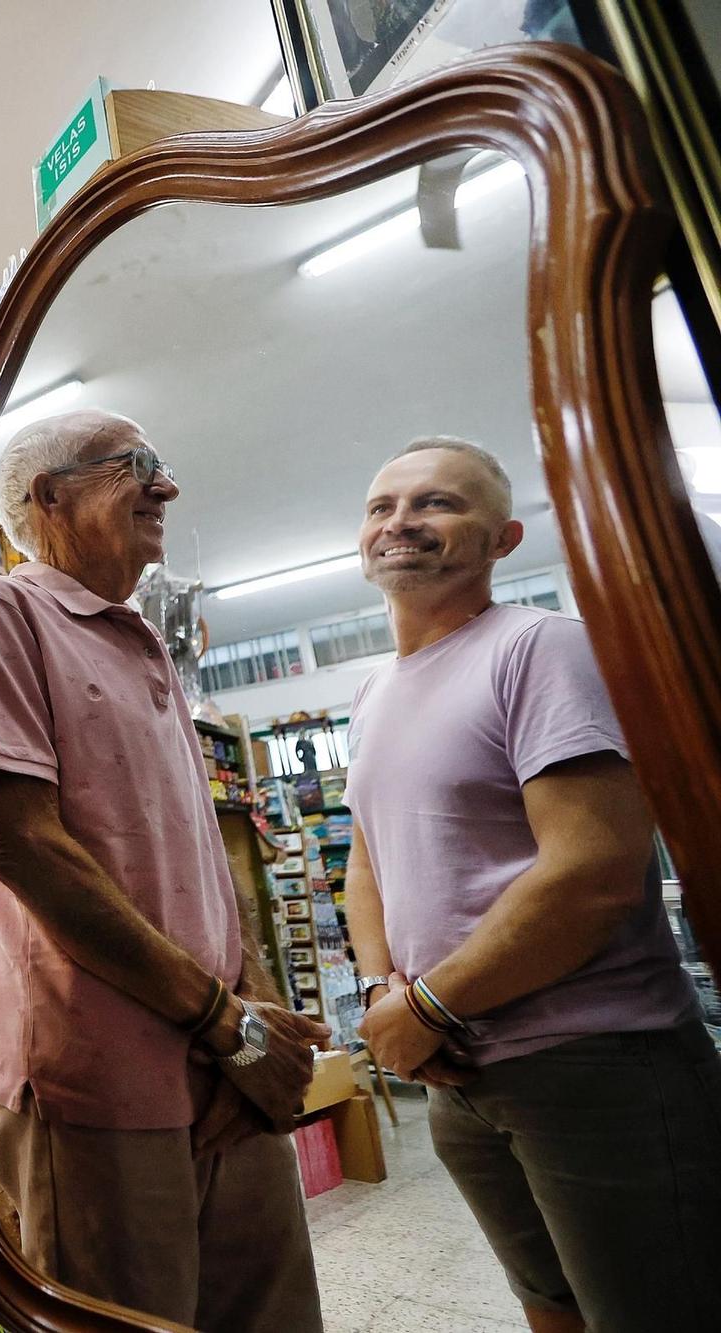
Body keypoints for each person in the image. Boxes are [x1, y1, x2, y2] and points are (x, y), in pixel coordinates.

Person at [0, 409, 326, 1329]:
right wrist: (223, 1021)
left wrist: (257, 1026)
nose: (167, 487)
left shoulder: (145, 639)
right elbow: (27, 848)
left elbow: (200, 851)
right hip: (98, 1083)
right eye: (137, 467)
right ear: (49, 497)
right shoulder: (1, 611)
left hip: (223, 1066)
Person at [346, 437, 721, 1333]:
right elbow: (367, 859)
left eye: (437, 503)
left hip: (597, 1063)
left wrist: (426, 1007)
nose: (400, 521)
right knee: (548, 1309)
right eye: (380, 506)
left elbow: (592, 870)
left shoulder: (543, 649)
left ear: (504, 538)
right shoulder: (372, 693)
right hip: (460, 1074)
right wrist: (379, 992)